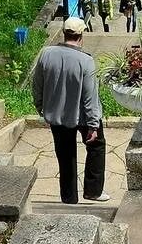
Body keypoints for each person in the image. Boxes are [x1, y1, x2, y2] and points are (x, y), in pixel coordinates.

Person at [29, 17, 110, 203]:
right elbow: (90, 97)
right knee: (96, 146)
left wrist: (41, 107)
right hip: (82, 115)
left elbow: (37, 85)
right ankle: (93, 191)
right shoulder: (86, 61)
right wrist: (93, 125)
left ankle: (69, 198)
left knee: (65, 155)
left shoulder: (46, 54)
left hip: (56, 115)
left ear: (63, 33)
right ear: (81, 35)